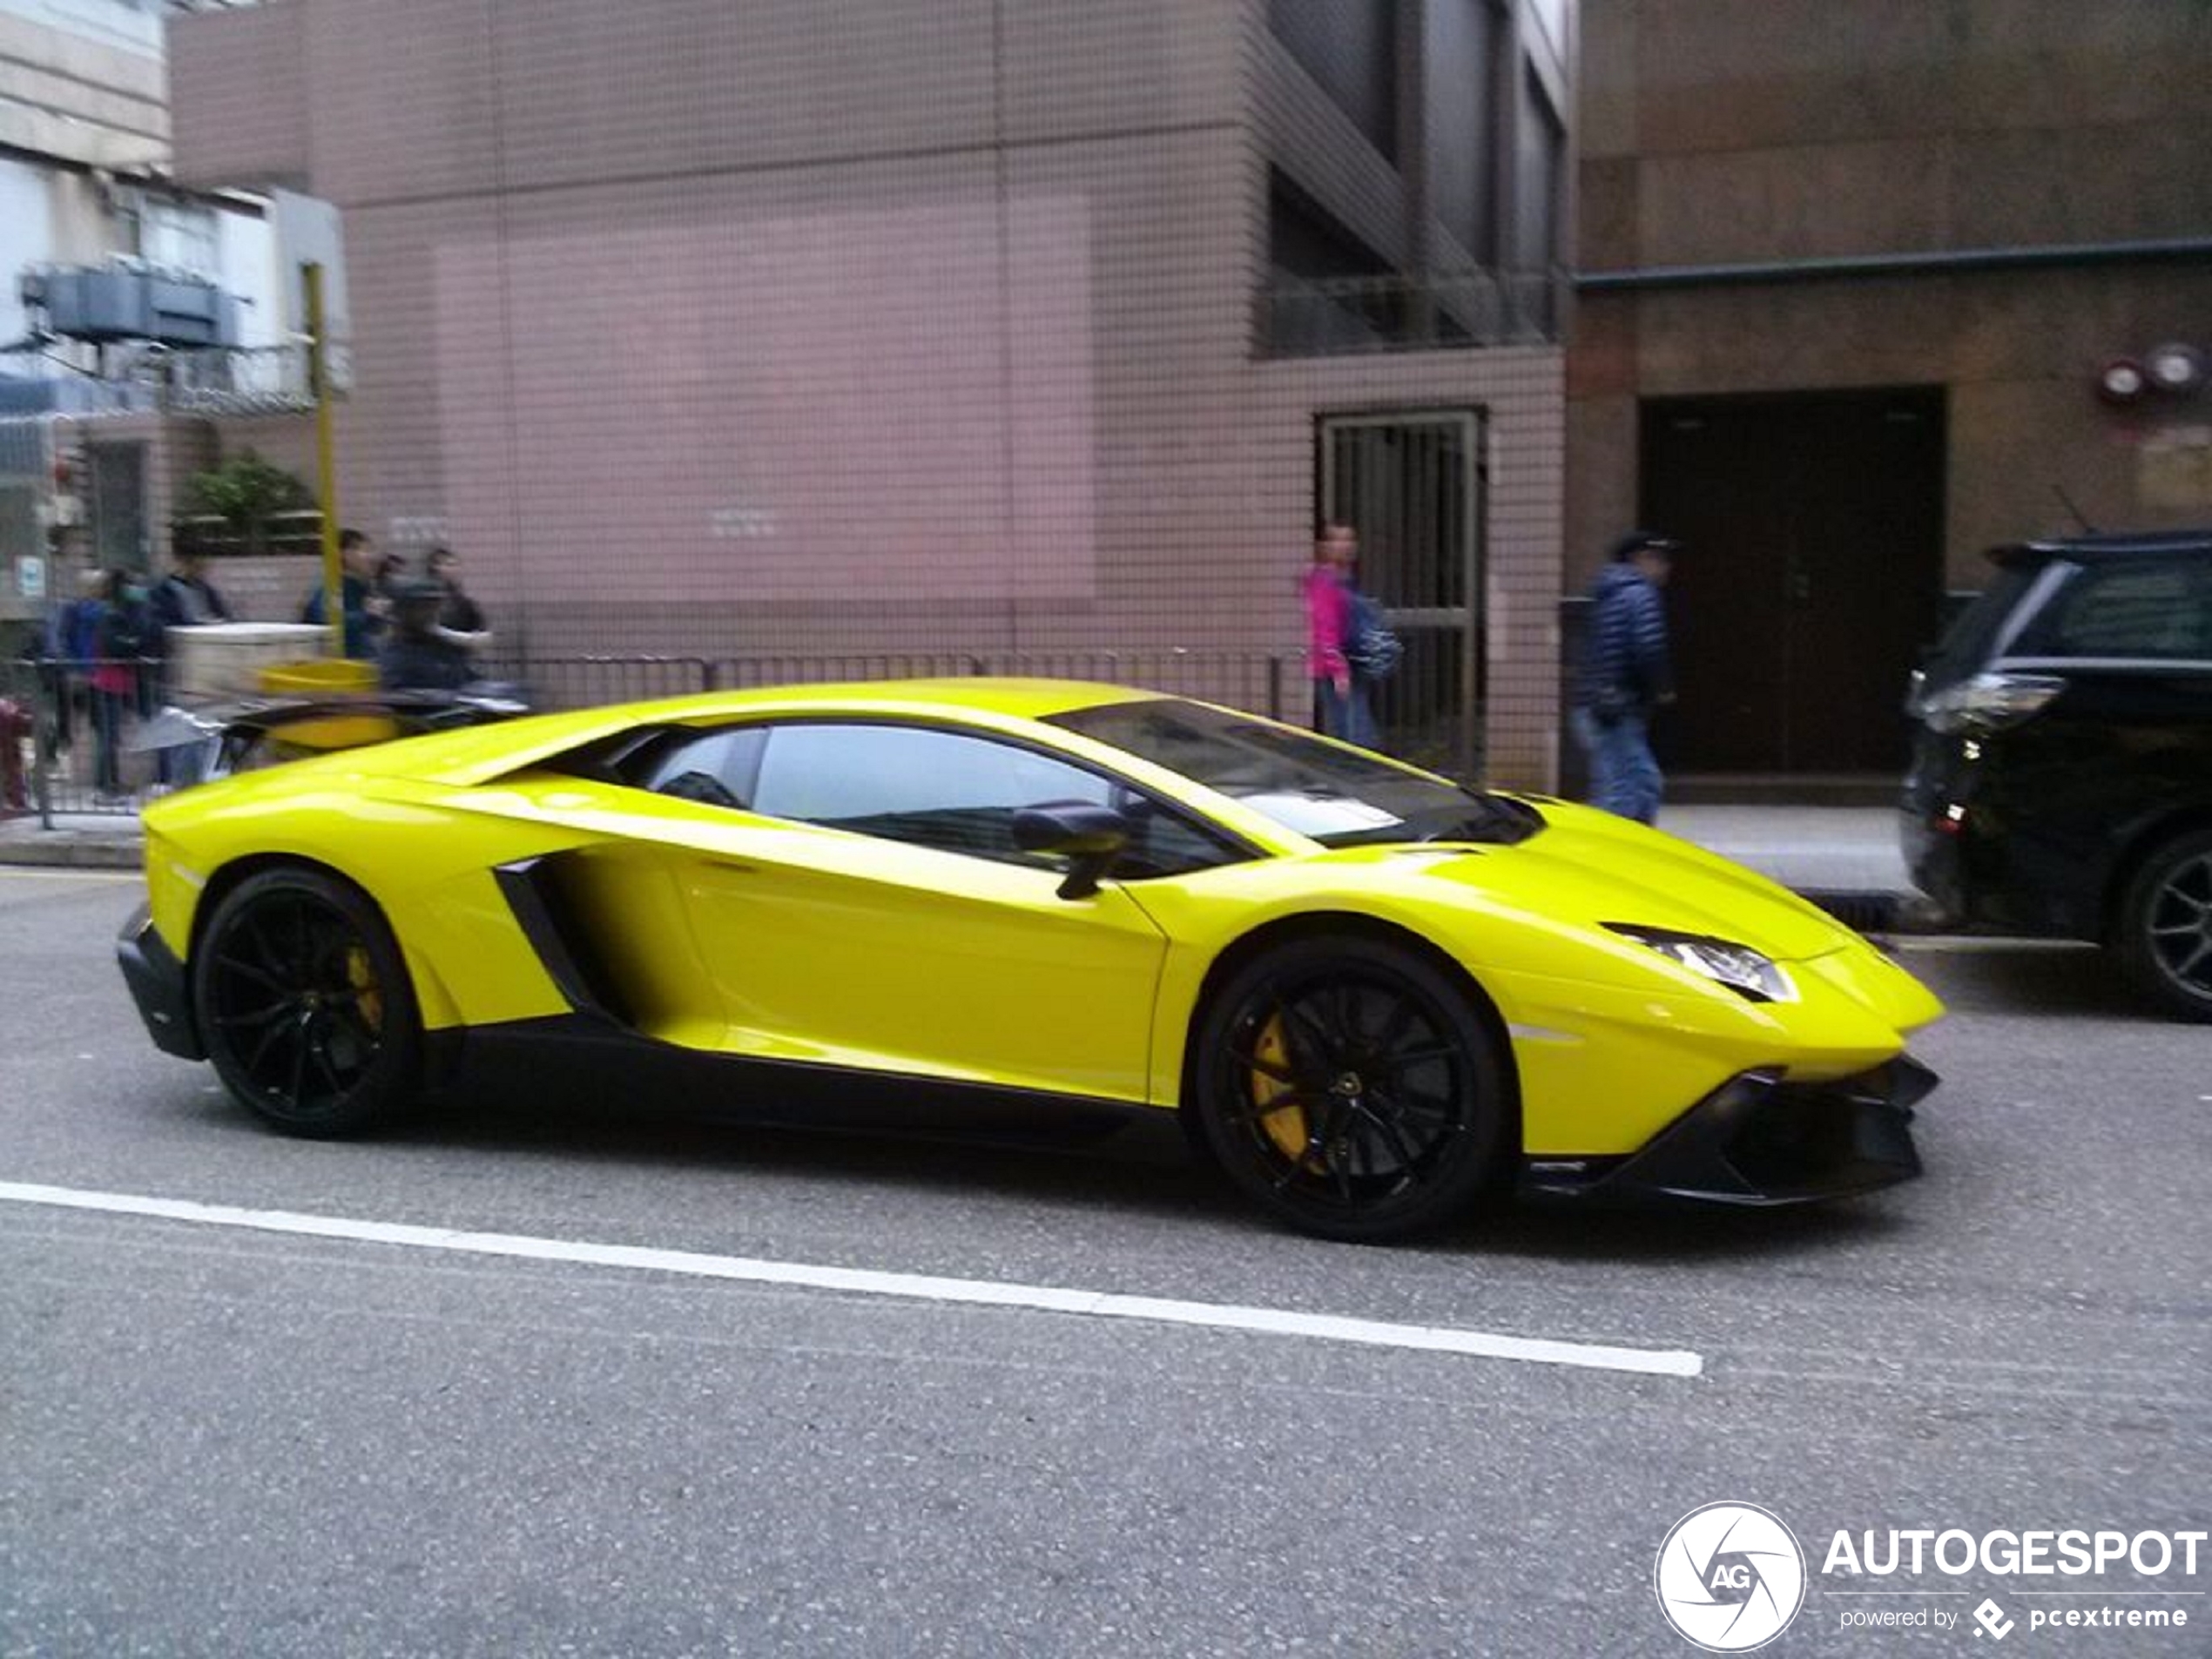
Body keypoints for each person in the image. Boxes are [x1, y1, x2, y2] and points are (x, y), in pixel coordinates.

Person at [1573, 529, 1678, 825]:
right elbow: (1649, 646)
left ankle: (1627, 852)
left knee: (1627, 784)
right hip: (1616, 707)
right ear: (1640, 559)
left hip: (1596, 704)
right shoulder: (1639, 593)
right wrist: (1663, 688)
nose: (1665, 567)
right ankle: (1615, 859)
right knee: (1629, 790)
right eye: (1659, 559)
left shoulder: (1607, 590)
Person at [1303, 522, 1379, 750]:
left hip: (1352, 665)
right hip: (1337, 671)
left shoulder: (1344, 580)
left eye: (1349, 539)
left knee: (1353, 732)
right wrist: (1339, 670)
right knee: (1356, 737)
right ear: (1324, 547)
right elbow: (1325, 628)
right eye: (1338, 539)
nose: (1345, 545)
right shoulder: (1325, 582)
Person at [88, 570, 150, 799]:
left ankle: (110, 783)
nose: (136, 590)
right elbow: (117, 646)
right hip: (108, 683)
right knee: (108, 737)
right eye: (130, 585)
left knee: (112, 736)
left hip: (118, 682)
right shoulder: (110, 614)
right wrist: (133, 644)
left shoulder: (124, 613)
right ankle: (104, 786)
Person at [300, 528, 386, 658]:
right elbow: (330, 620)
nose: (372, 557)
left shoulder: (363, 587)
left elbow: (374, 629)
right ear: (343, 554)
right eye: (365, 550)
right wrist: (368, 615)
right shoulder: (332, 588)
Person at [375, 578, 474, 691]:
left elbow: (469, 680)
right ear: (402, 612)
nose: (432, 614)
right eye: (424, 607)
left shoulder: (443, 647)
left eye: (436, 607)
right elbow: (399, 695)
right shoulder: (393, 654)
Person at [425, 545, 492, 654]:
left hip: (455, 660)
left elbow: (483, 637)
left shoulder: (464, 603)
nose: (455, 569)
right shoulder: (422, 600)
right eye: (449, 565)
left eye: (455, 565)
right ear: (434, 567)